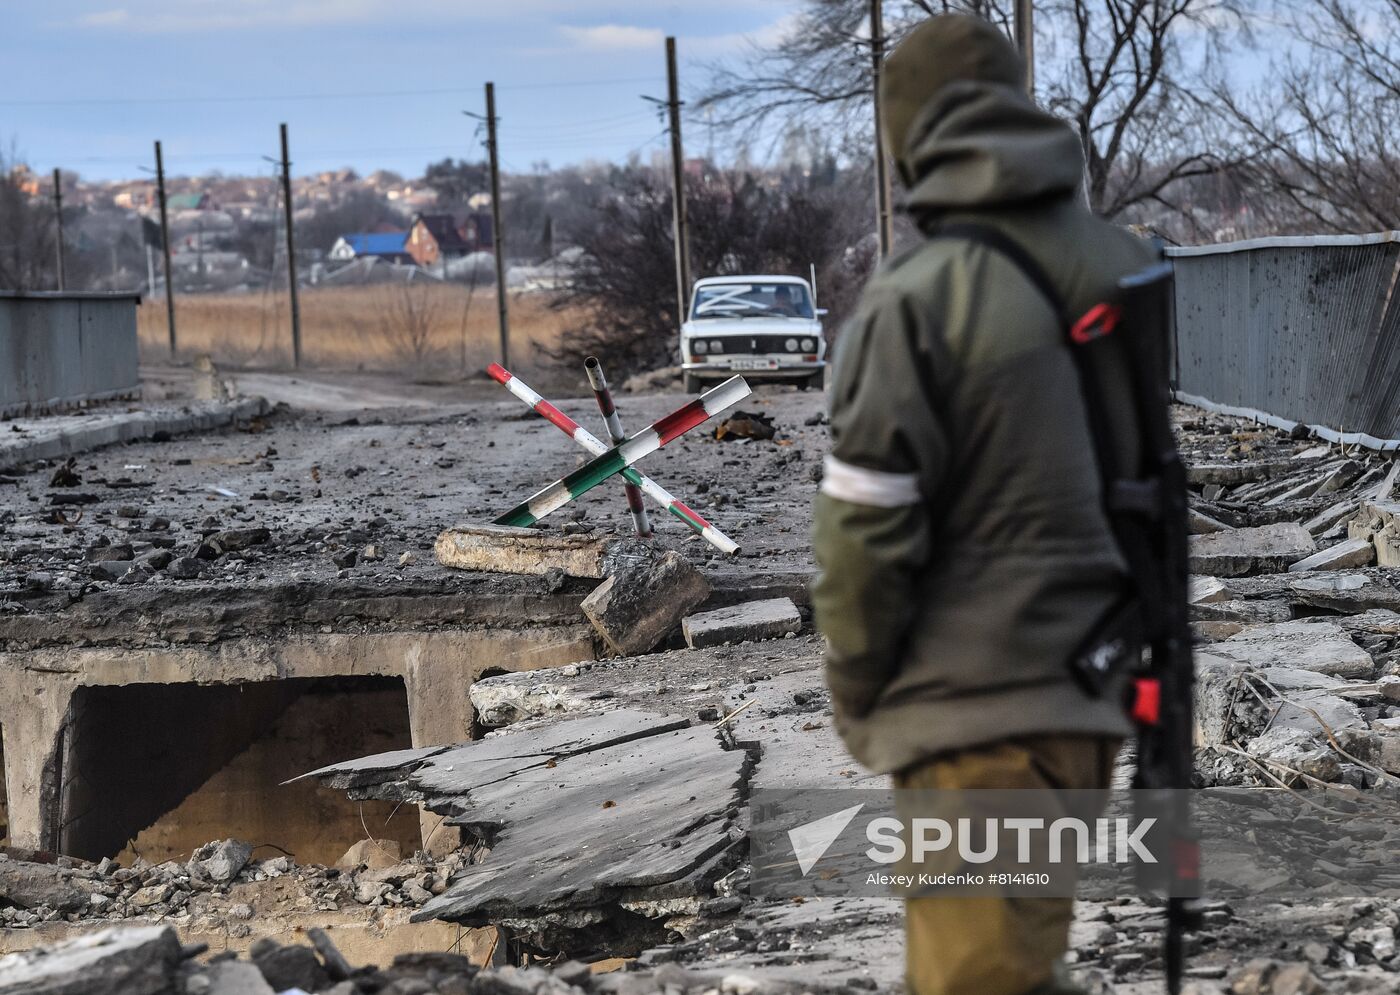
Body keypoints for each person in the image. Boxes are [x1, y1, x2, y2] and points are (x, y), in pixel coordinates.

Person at [811, 13, 1155, 995]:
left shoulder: (913, 297)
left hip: (969, 727)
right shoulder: (1124, 263)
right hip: (1084, 706)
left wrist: (855, 683)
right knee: (1021, 964)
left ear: (906, 136)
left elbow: (862, 536)